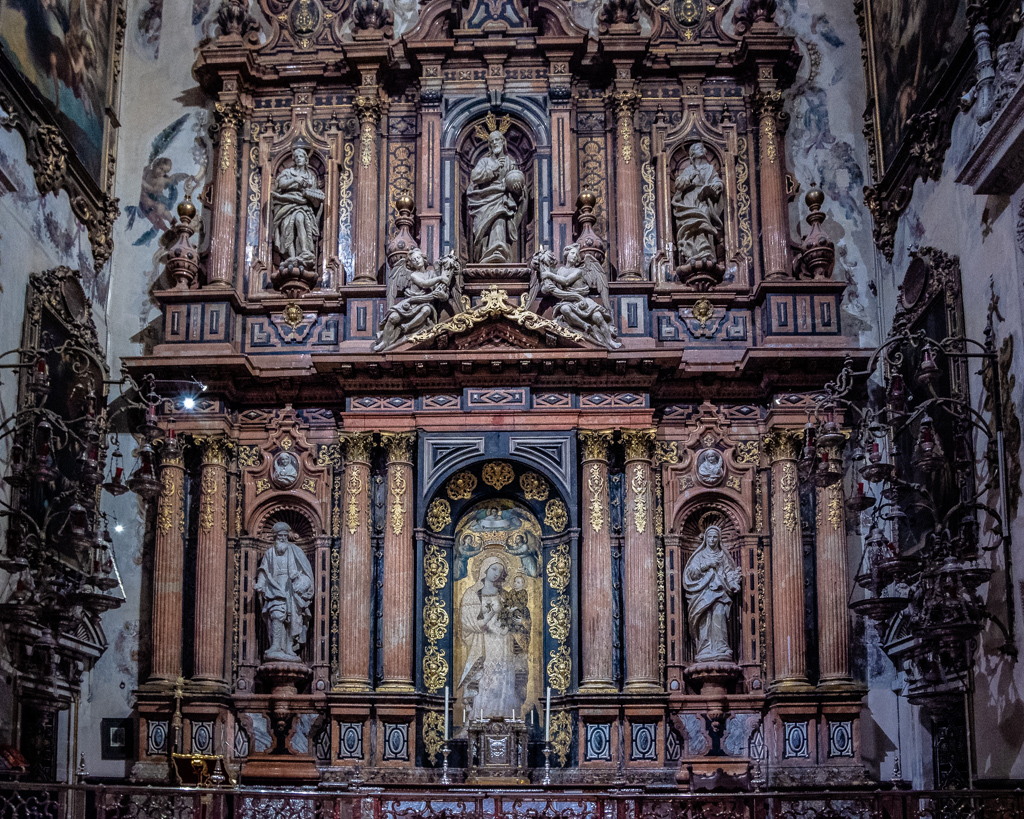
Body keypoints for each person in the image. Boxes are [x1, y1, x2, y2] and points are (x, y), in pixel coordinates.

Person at [458, 554, 524, 719]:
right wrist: (490, 615)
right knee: (487, 676)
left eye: (499, 571)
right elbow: (469, 621)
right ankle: (480, 716)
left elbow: (513, 617)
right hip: (485, 642)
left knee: (504, 677)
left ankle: (505, 715)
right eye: (494, 569)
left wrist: (515, 620)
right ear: (485, 569)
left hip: (504, 641)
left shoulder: (505, 594)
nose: (496, 573)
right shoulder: (472, 594)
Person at [254, 521, 315, 662]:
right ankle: (275, 646)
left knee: (293, 619)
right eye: (279, 536)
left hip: (292, 590)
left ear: (288, 536)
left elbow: (307, 573)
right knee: (276, 614)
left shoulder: (296, 551)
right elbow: (264, 571)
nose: (282, 538)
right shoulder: (269, 553)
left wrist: (301, 582)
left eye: (284, 536)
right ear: (275, 537)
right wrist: (261, 584)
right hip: (275, 588)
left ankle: (289, 647)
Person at [683, 525, 741, 663]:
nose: (712, 539)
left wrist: (733, 582)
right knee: (704, 620)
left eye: (715, 537)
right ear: (706, 538)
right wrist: (706, 565)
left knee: (719, 617)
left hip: (720, 592)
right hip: (703, 593)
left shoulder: (722, 555)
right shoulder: (700, 555)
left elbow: (728, 572)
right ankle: (705, 648)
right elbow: (691, 572)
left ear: (719, 538)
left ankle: (721, 647)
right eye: (710, 537)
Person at [467, 130, 527, 263]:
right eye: (492, 141)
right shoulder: (485, 161)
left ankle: (498, 251)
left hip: (502, 200)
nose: (495, 143)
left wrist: (517, 189)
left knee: (499, 219)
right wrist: (493, 167)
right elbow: (475, 177)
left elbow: (518, 186)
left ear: (503, 142)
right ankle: (485, 254)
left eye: (497, 140)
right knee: (483, 232)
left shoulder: (510, 163)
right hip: (484, 200)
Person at [672, 142, 724, 267]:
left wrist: (717, 185)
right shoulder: (689, 170)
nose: (702, 149)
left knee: (704, 216)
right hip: (689, 200)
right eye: (697, 148)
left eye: (702, 148)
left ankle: (706, 252)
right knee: (692, 223)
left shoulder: (710, 169)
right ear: (692, 154)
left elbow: (718, 181)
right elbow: (678, 184)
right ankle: (694, 253)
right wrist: (690, 177)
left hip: (704, 199)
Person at [272, 145, 324, 269]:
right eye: (296, 157)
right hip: (286, 204)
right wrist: (296, 180)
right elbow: (281, 184)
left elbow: (314, 196)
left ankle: (305, 251)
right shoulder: (287, 172)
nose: (299, 158)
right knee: (286, 224)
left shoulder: (310, 176)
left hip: (303, 205)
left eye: (301, 156)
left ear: (306, 159)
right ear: (294, 160)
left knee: (300, 219)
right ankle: (291, 256)